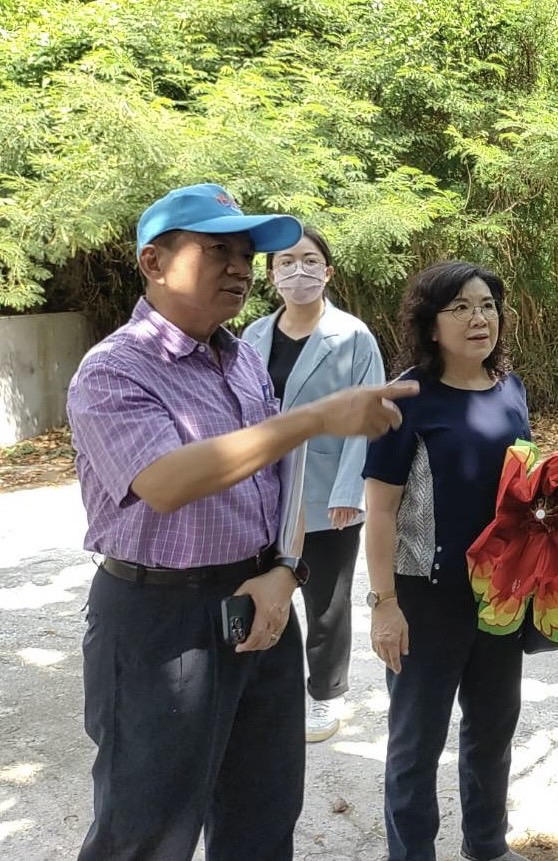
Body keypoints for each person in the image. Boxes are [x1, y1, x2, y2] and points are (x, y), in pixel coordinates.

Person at [66, 183, 418, 861]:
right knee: (147, 829)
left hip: (259, 605)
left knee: (262, 815)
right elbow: (165, 481)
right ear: (154, 262)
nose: (240, 267)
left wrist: (284, 571)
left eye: (247, 253)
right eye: (217, 250)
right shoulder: (113, 370)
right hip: (160, 623)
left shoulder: (241, 357)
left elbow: (278, 481)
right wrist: (313, 417)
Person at [362, 261, 533, 861]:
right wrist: (384, 605)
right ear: (431, 325)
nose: (477, 317)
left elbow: (522, 489)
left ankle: (487, 847)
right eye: (459, 307)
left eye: (486, 305)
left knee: (492, 733)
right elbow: (379, 511)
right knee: (415, 744)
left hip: (500, 596)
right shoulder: (405, 398)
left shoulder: (511, 389)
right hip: (424, 597)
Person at [242, 226, 385, 742]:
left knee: (325, 598)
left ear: (326, 272)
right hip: (262, 489)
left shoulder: (352, 335)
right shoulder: (252, 335)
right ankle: (264, 682)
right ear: (271, 275)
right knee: (261, 585)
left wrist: (350, 490)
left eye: (309, 261)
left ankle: (325, 694)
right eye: (285, 262)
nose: (297, 271)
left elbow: (370, 413)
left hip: (326, 490)